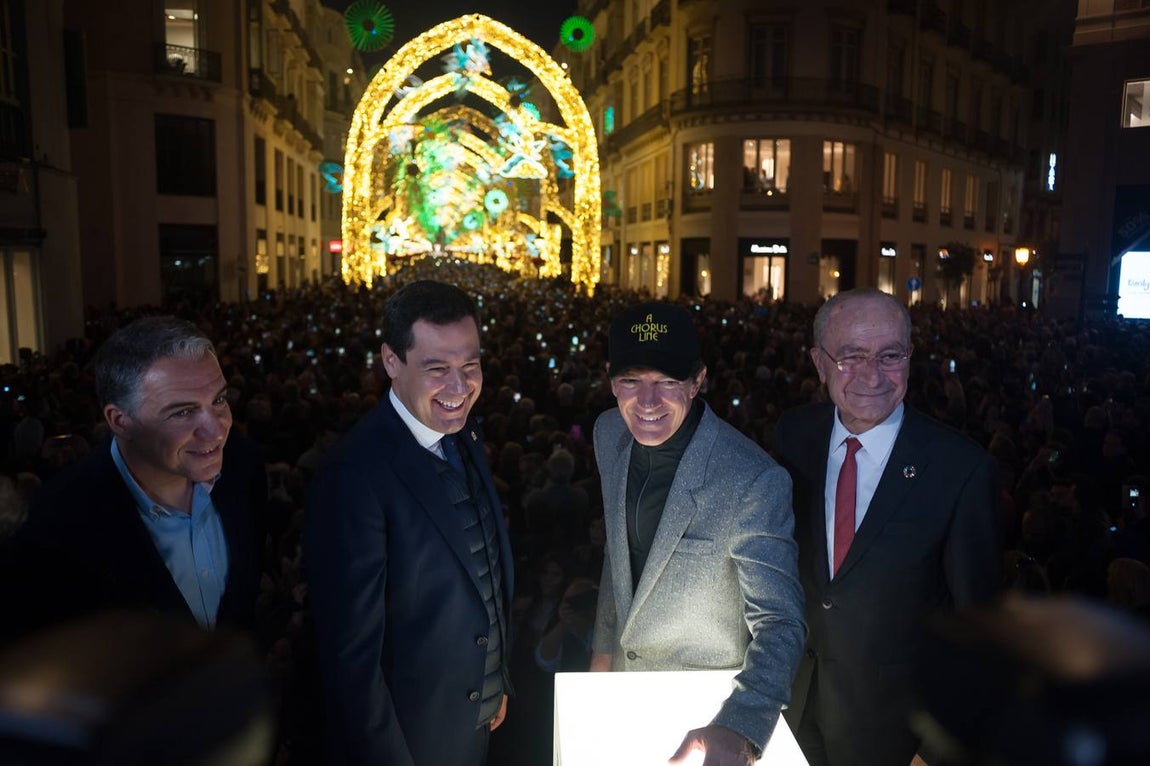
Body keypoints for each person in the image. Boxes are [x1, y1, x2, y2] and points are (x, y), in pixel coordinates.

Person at [775, 288, 1001, 766]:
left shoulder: (959, 469)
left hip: (894, 742)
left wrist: (933, 753)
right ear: (819, 363)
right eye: (851, 356)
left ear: (910, 358)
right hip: (787, 719)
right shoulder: (790, 437)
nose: (872, 375)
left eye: (890, 355)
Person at [304, 280, 513, 766]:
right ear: (391, 361)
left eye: (471, 366)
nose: (460, 388)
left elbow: (484, 572)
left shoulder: (463, 435)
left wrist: (496, 681)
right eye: (437, 368)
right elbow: (351, 661)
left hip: (473, 720)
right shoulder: (354, 476)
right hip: (411, 742)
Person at [590, 301, 806, 766]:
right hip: (621, 704)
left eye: (668, 381)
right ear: (610, 380)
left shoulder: (752, 479)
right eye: (632, 381)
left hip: (709, 711)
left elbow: (781, 622)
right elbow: (618, 552)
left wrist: (741, 723)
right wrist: (603, 652)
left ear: (698, 379)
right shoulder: (608, 433)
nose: (648, 402)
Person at [0, 316, 267, 642]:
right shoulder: (53, 528)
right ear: (120, 421)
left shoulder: (244, 465)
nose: (217, 429)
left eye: (219, 400)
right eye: (183, 412)